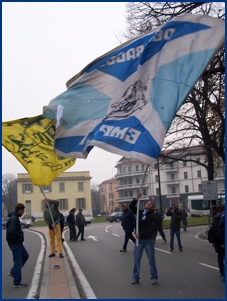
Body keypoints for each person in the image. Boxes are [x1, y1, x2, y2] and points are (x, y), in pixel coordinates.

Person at [129, 192, 158, 285]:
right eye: (147, 203)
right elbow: (131, 207)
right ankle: (135, 277)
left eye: (150, 204)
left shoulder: (153, 216)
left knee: (151, 260)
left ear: (152, 207)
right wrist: (136, 198)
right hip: (139, 241)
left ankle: (154, 277)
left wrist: (140, 234)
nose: (148, 204)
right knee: (136, 260)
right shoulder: (140, 212)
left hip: (148, 240)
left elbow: (152, 229)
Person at [6, 203, 29, 288]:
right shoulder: (14, 219)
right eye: (23, 210)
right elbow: (11, 232)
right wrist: (18, 239)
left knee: (25, 256)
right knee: (18, 261)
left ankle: (13, 272)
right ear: (19, 210)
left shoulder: (15, 217)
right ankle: (17, 282)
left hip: (17, 243)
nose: (23, 212)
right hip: (15, 243)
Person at [212, 205, 225, 282]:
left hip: (221, 241)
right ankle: (222, 273)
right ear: (220, 211)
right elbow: (217, 233)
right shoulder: (217, 219)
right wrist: (221, 242)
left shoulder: (219, 218)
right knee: (221, 258)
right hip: (219, 242)